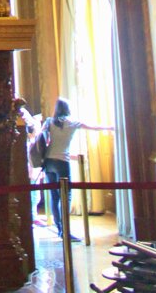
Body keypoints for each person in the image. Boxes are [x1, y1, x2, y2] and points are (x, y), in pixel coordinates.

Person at [41, 97, 111, 239]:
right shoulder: (72, 123)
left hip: (49, 161)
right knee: (66, 196)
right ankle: (66, 231)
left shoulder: (49, 122)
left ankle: (59, 227)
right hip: (62, 162)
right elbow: (93, 127)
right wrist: (110, 127)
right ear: (68, 109)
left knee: (54, 198)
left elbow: (40, 137)